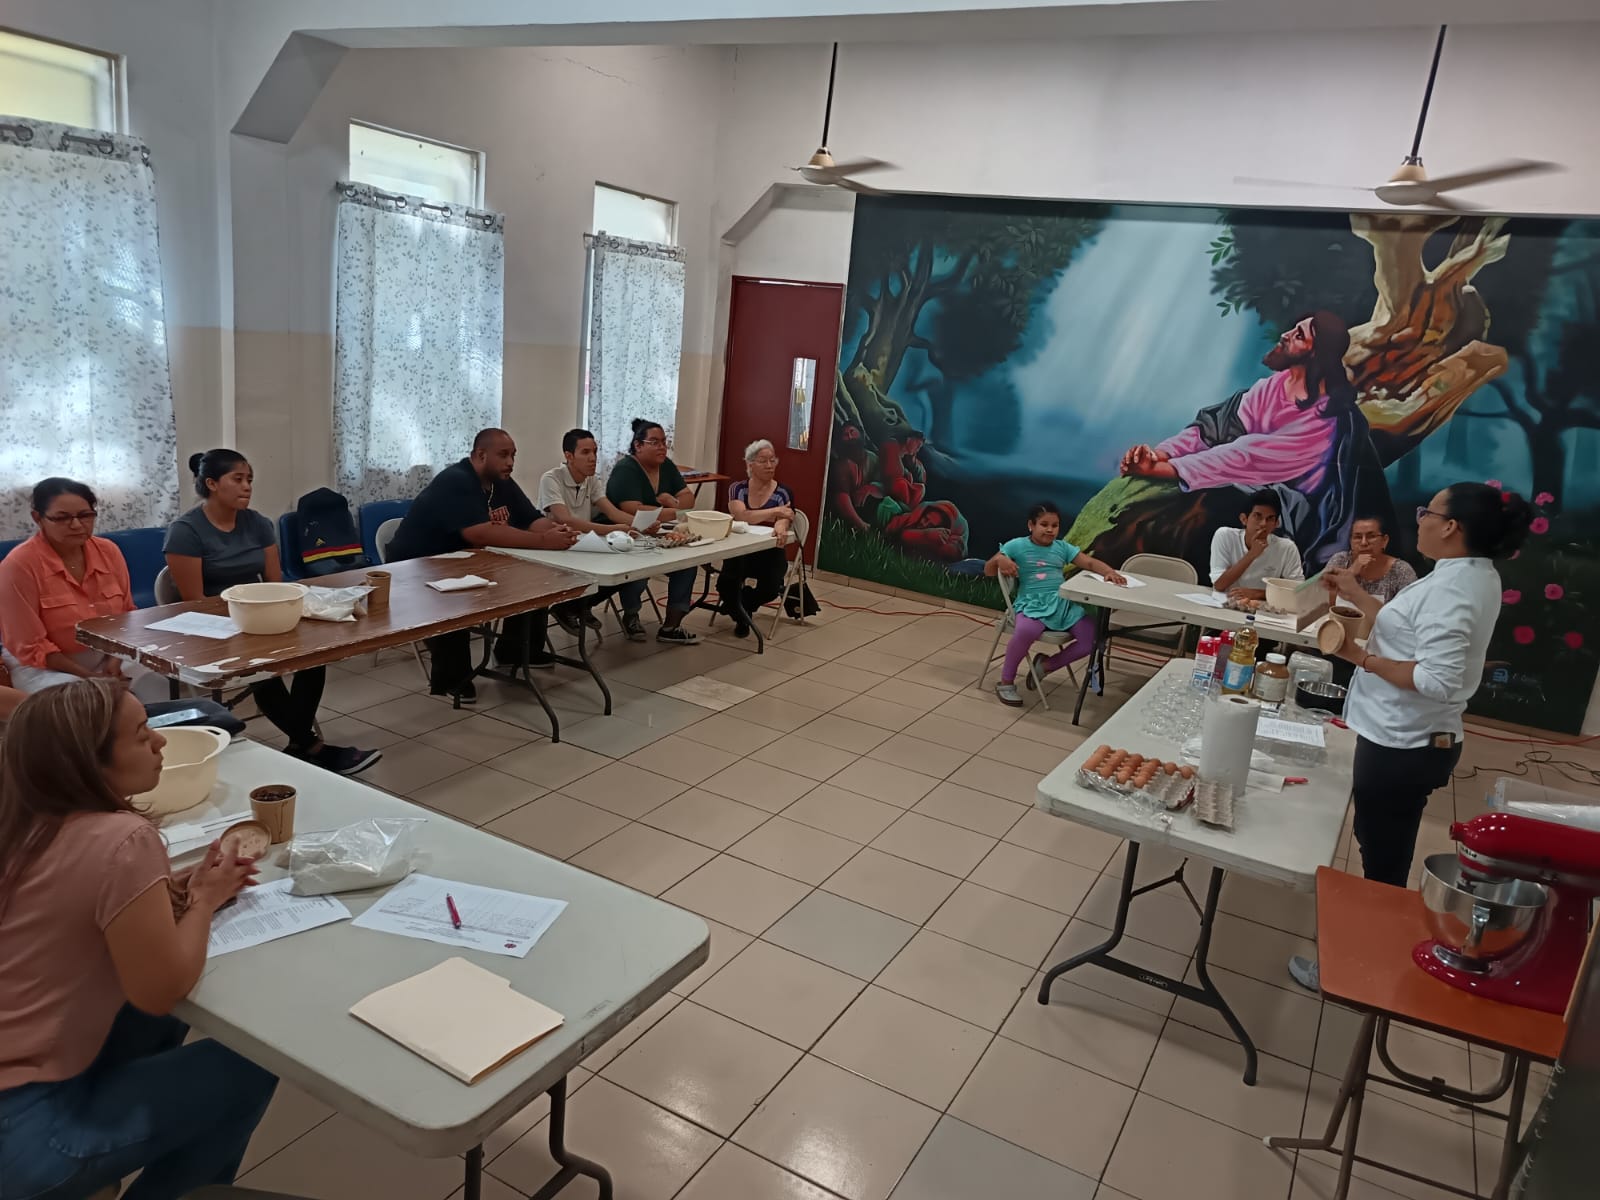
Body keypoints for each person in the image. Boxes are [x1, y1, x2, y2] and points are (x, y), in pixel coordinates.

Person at [0, 679, 277, 1199]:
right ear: (89, 762)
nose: (160, 741)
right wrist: (204, 900)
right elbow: (161, 990)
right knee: (250, 1066)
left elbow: (69, 908)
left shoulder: (21, 819)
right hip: (25, 1133)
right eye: (142, 734)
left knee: (151, 1024)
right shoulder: (123, 838)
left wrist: (162, 893)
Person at [1288, 483, 1532, 993]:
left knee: (1384, 858)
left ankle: (1362, 972)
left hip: (1404, 745)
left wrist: (1358, 657)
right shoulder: (1465, 574)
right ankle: (1374, 954)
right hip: (1403, 737)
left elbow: (1437, 679)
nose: (1418, 519)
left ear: (1451, 526)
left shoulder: (1454, 589)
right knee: (1383, 845)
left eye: (1427, 512)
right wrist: (1355, 594)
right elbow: (1408, 630)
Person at [1120, 311, 1390, 569]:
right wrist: (1161, 455)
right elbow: (1213, 429)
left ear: (1316, 353)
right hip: (1248, 489)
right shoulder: (1272, 386)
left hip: (1289, 512)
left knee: (1203, 516)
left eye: (1299, 335)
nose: (1285, 335)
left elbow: (1244, 456)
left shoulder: (1325, 419)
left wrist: (1163, 470)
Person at [165, 450, 379, 775]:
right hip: (214, 624)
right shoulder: (186, 531)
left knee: (314, 654)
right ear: (212, 483)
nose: (247, 486)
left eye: (249, 480)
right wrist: (247, 621)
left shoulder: (258, 523)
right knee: (261, 669)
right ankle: (312, 747)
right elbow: (194, 601)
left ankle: (300, 745)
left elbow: (276, 585)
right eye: (238, 479)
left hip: (260, 615)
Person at [0, 478, 243, 734]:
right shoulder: (19, 566)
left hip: (110, 654)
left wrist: (114, 661)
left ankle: (162, 742)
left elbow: (126, 616)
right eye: (61, 518)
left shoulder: (108, 551)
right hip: (48, 666)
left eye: (85, 515)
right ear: (38, 518)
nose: (76, 525)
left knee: (155, 684)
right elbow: (31, 646)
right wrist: (90, 677)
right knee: (85, 706)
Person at [387, 429, 579, 702]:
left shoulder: (501, 481)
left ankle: (514, 651)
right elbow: (479, 533)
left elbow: (530, 519)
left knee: (536, 578)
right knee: (456, 599)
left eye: (513, 455)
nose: (510, 462)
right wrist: (544, 541)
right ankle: (452, 678)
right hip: (416, 566)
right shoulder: (457, 480)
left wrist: (557, 531)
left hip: (463, 561)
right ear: (480, 455)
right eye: (503, 455)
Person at [985, 501, 1126, 707]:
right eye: (1044, 525)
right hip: (1032, 603)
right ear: (1031, 525)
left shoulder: (1062, 547)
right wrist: (1000, 560)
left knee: (1094, 638)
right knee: (1025, 631)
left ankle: (1047, 665)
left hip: (1062, 604)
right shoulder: (1016, 545)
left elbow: (1089, 562)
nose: (1050, 530)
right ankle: (1006, 682)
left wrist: (1109, 572)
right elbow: (989, 570)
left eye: (1055, 525)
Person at [535, 428, 653, 637]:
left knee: (627, 568)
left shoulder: (592, 480)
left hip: (584, 543)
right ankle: (572, 606)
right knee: (610, 567)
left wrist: (640, 525)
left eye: (595, 452)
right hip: (558, 546)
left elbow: (612, 512)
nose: (593, 458)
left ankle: (579, 606)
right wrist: (613, 529)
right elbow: (565, 519)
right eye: (585, 452)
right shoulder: (551, 478)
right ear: (569, 456)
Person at [603, 419, 701, 645]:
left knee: (688, 563)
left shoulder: (666, 465)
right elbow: (633, 509)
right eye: (655, 442)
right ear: (638, 445)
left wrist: (671, 505)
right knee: (641, 563)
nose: (662, 447)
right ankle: (631, 615)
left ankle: (671, 626)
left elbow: (689, 499)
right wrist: (675, 509)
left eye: (664, 442)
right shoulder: (626, 469)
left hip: (658, 532)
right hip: (625, 534)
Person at [721, 439, 794, 638]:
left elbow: (784, 519)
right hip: (740, 550)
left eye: (773, 460)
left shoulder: (783, 492)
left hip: (769, 552)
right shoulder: (737, 489)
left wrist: (780, 522)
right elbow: (740, 516)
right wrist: (774, 511)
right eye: (763, 461)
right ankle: (742, 616)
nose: (770, 465)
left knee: (771, 588)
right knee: (725, 585)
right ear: (750, 464)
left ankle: (742, 608)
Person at [1209, 488, 1304, 602]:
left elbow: (1298, 592)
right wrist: (1252, 554)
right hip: (1225, 602)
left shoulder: (1287, 548)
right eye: (1257, 516)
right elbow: (1219, 585)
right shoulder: (1225, 536)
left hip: (1263, 608)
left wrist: (1257, 593)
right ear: (1244, 519)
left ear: (1276, 524)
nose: (1263, 524)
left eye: (1270, 519)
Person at [1326, 514, 1418, 604]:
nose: (1364, 543)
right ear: (1350, 541)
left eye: (1371, 536)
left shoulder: (1401, 570)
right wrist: (1351, 572)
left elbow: (1410, 610)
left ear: (1384, 541)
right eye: (1358, 537)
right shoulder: (1340, 560)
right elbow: (1327, 603)